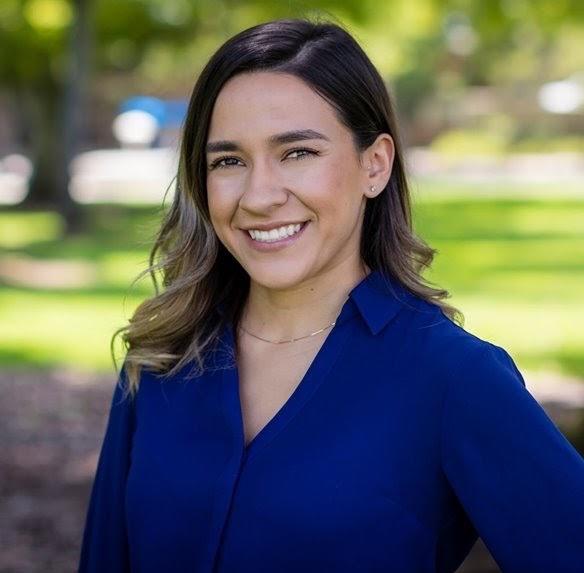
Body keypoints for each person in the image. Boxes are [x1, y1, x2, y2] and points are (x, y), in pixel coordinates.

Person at [78, 17, 584, 573]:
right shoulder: (163, 361)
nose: (259, 195)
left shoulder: (453, 378)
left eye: (297, 153)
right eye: (228, 161)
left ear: (375, 164)